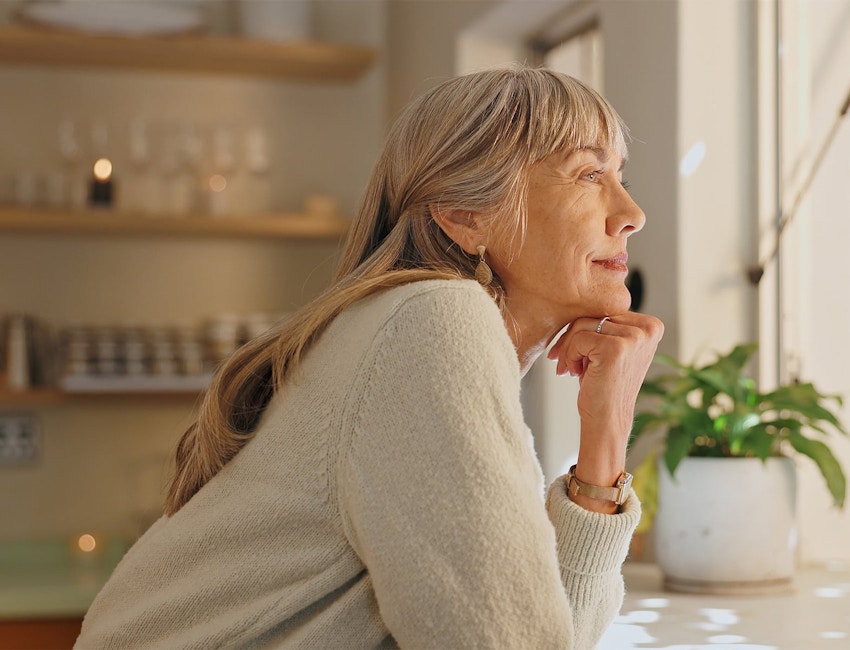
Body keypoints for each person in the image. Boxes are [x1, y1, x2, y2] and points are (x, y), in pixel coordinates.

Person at [75, 65, 663, 649]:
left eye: (620, 175)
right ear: (464, 216)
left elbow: (550, 632)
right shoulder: (432, 319)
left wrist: (605, 433)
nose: (631, 212)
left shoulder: (413, 326)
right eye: (589, 174)